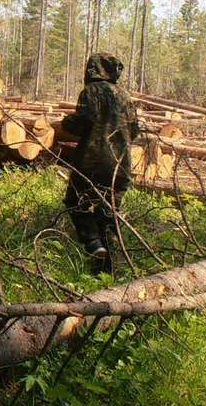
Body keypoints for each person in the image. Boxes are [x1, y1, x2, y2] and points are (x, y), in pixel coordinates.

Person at [59, 52, 139, 273]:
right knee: (109, 211)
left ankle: (93, 242)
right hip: (121, 165)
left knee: (76, 202)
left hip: (92, 162)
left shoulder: (90, 92)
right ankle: (107, 268)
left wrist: (65, 123)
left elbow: (82, 122)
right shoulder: (125, 96)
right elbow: (135, 130)